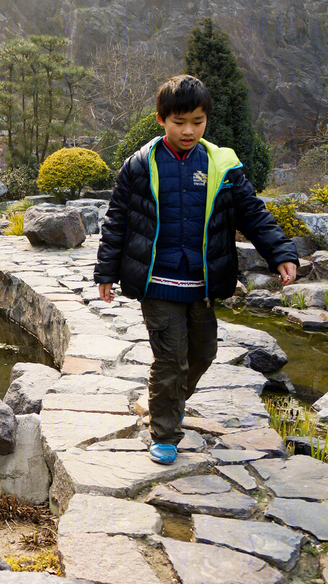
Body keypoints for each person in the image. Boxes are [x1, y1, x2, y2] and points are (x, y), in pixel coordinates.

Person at [94, 74, 299, 465]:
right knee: (171, 359)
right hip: (157, 281)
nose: (188, 130)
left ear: (207, 120)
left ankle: (165, 402)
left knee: (203, 354)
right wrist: (106, 272)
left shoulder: (223, 165)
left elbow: (253, 214)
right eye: (179, 122)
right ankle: (165, 432)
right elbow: (116, 219)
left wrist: (280, 253)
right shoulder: (140, 165)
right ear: (161, 119)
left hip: (203, 282)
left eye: (198, 121)